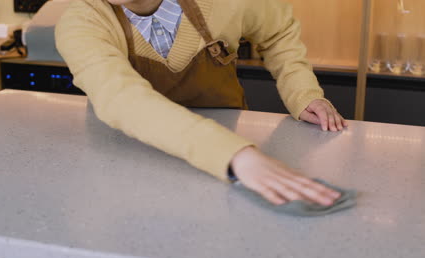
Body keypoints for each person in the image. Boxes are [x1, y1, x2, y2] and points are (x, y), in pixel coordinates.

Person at [55, 0, 348, 207]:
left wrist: (303, 92)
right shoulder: (80, 22)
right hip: (129, 156)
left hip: (222, 154)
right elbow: (121, 97)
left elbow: (278, 33)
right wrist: (235, 156)